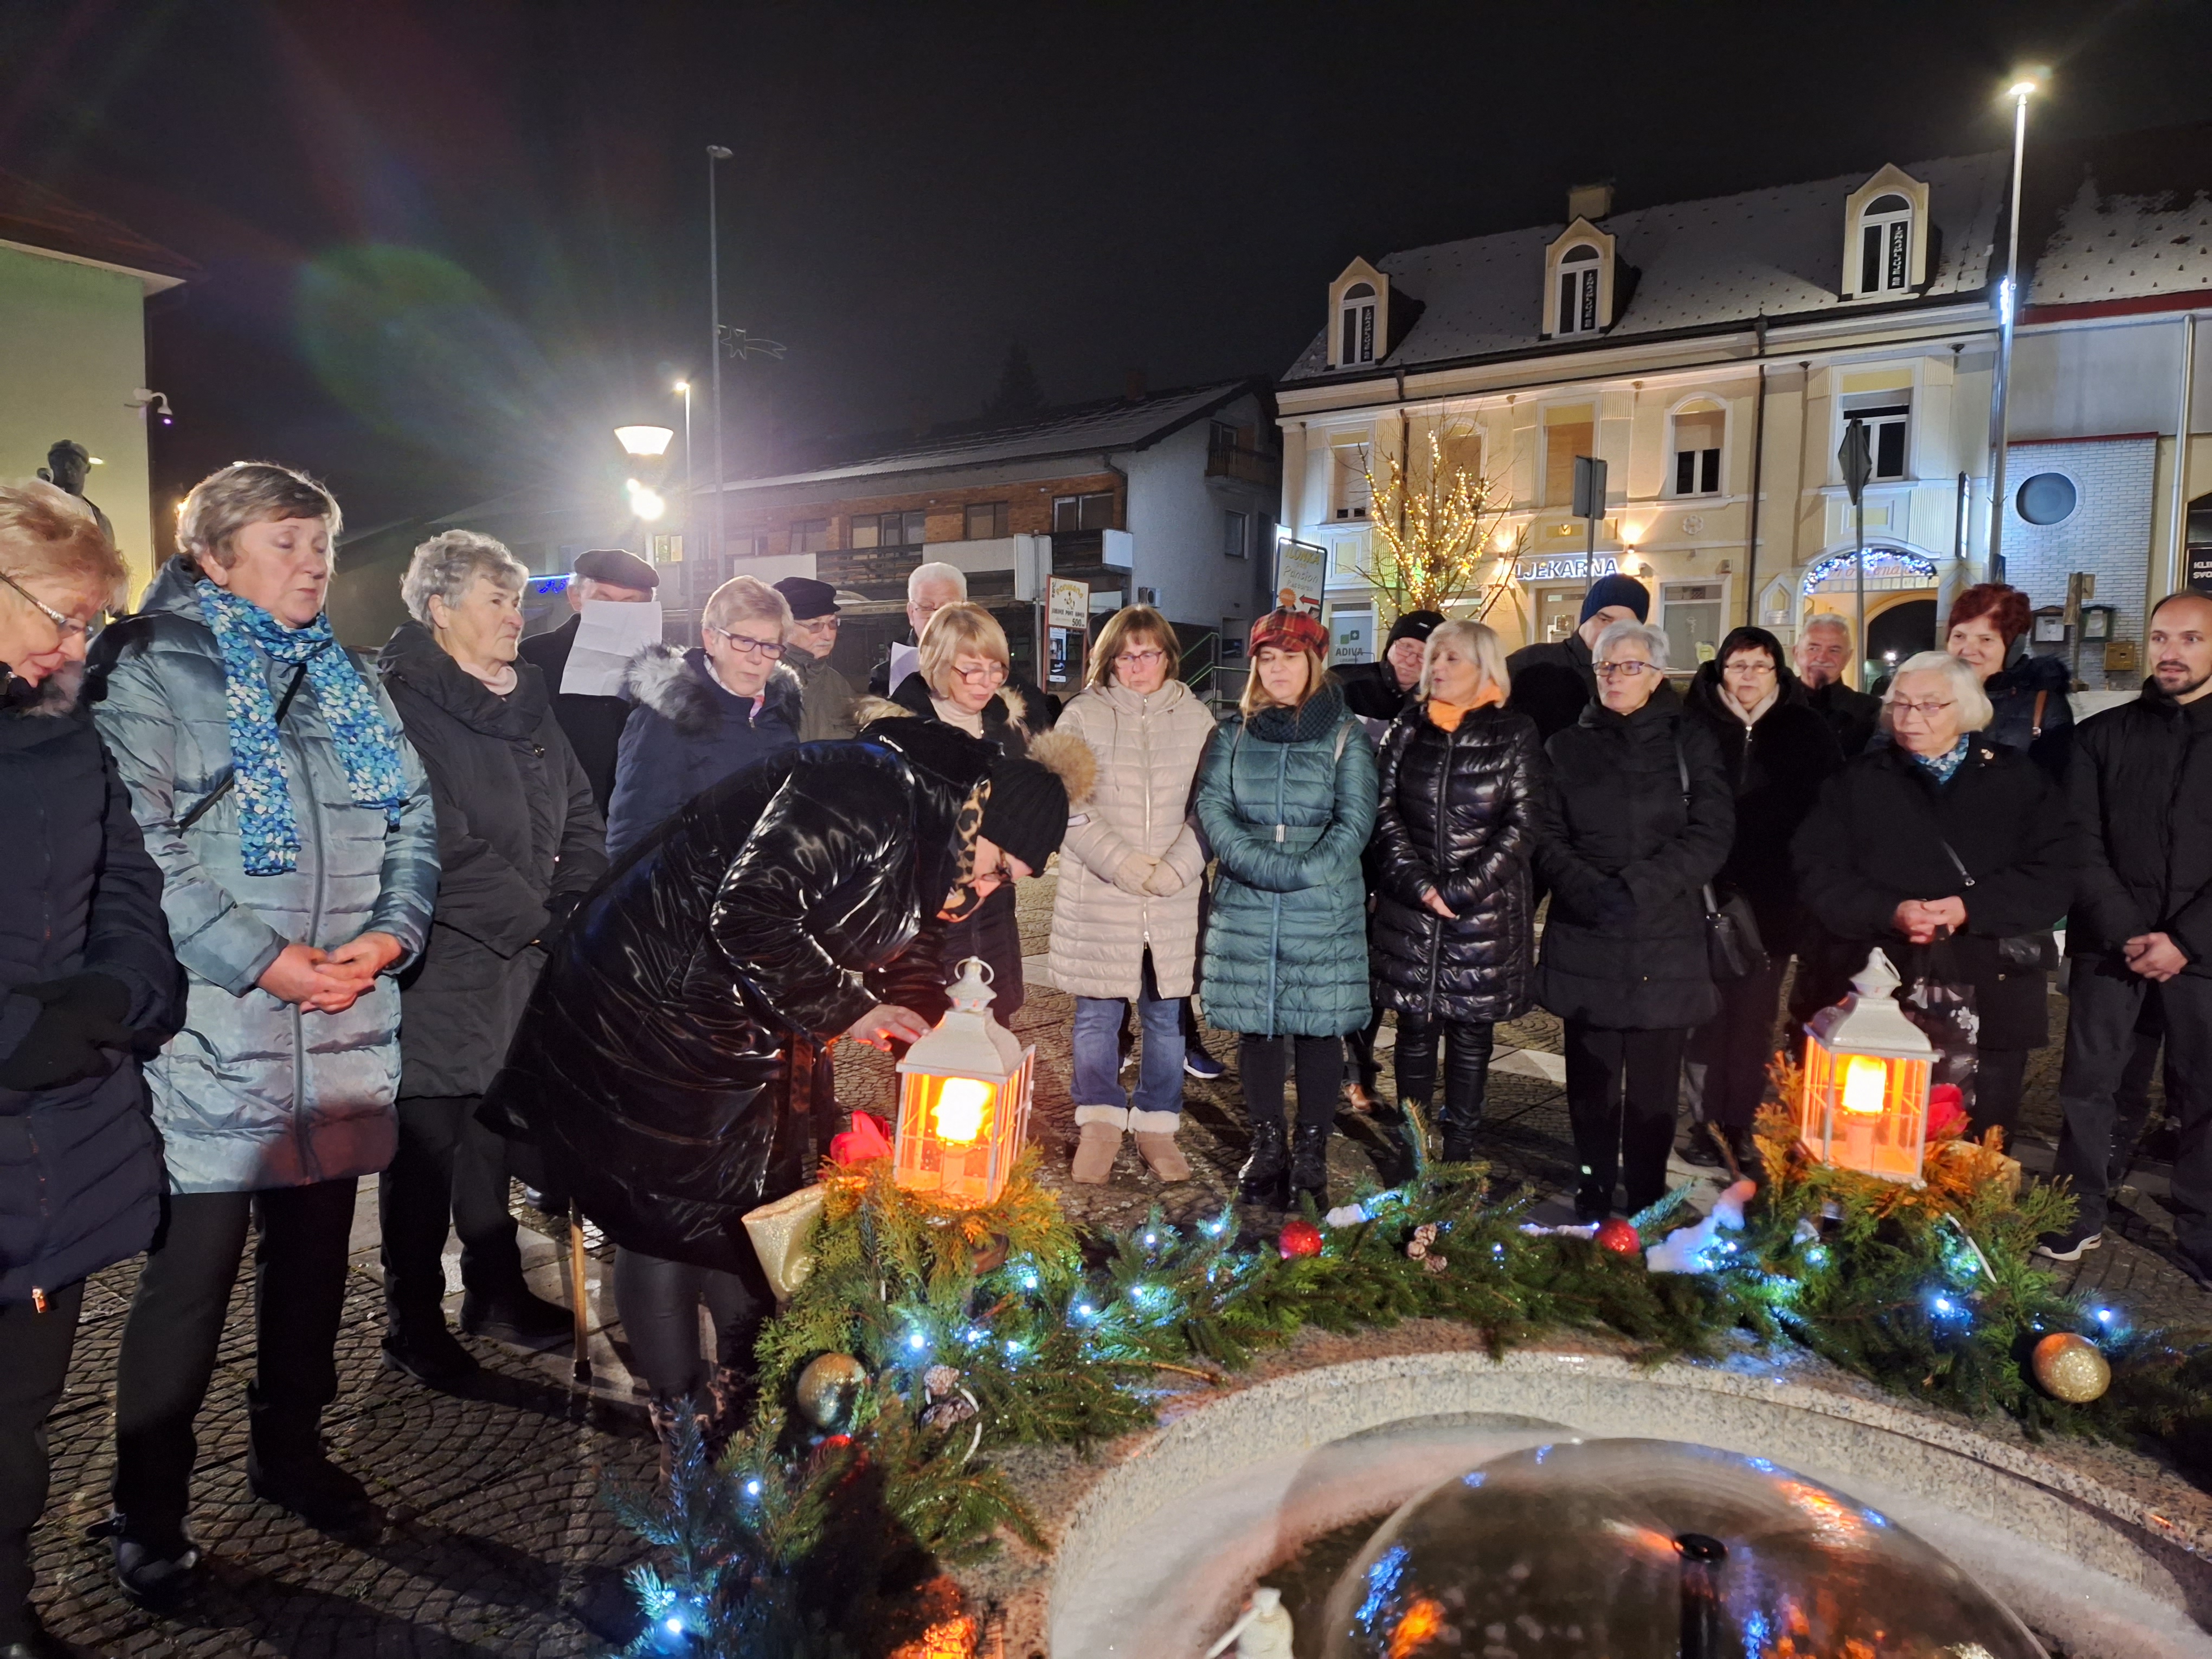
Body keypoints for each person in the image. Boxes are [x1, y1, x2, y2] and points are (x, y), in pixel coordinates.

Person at [480, 701, 1090, 1451]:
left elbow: (913, 944)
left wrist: (935, 1040)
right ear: (978, 815)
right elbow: (751, 914)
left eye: (1008, 883)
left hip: (745, 1015)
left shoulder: (941, 838)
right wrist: (851, 1010)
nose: (989, 888)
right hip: (652, 1006)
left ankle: (745, 1402)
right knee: (664, 1217)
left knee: (748, 1204)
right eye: (998, 868)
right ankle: (682, 1424)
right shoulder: (862, 794)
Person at [92, 462, 438, 1593]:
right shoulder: (150, 667)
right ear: (213, 555)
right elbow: (142, 845)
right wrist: (265, 960)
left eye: (322, 543)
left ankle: (292, 1453)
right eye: (286, 542)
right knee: (188, 1283)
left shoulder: (349, 676)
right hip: (216, 1037)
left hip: (342, 1026)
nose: (314, 563)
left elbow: (413, 818)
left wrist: (389, 936)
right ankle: (147, 1506)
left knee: (314, 1270)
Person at [0, 485, 180, 1659]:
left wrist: (119, 995)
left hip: (54, 1140)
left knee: (19, 1411)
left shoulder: (65, 729)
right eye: (64, 617)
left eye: (94, 622)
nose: (78, 649)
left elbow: (126, 881)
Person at [375, 531, 608, 1389]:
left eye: (517, 600)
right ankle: (412, 1319)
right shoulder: (404, 704)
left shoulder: (528, 703)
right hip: (445, 963)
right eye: (498, 601)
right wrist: (537, 921)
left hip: (524, 957)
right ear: (441, 609)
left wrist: (574, 901)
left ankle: (495, 1289)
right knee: (427, 1146)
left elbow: (581, 809)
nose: (517, 616)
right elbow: (438, 841)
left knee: (490, 1136)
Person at [1794, 651, 2074, 1151]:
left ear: (1965, 708)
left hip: (1988, 983)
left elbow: (2056, 870)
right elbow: (1818, 872)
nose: (1910, 717)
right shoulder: (1857, 781)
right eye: (1900, 704)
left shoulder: (2018, 779)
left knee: (1976, 1146)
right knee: (1870, 1142)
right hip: (1881, 985)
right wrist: (1890, 911)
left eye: (1929, 705)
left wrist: (1971, 909)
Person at [1534, 619, 1732, 1220]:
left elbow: (1712, 833)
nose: (1614, 677)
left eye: (1629, 666)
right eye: (1605, 666)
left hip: (1664, 934)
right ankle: (1593, 1187)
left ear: (1656, 674)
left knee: (1653, 1083)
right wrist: (1589, 888)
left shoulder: (1690, 742)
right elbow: (1545, 834)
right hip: (1587, 930)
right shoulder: (1565, 746)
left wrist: (1639, 888)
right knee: (1591, 1080)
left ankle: (1647, 1195)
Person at [2041, 592, 2212, 1270]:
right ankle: (2075, 1207)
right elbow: (2079, 841)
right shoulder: (2100, 736)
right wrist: (2128, 931)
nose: (2171, 652)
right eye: (2162, 637)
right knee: (2091, 1083)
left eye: (2192, 639)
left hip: (2203, 953)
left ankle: (2201, 1228)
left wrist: (2186, 941)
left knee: (2203, 1091)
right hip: (2112, 944)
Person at [1197, 609, 1377, 1210]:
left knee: (1319, 1026)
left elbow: (1354, 823)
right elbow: (1214, 808)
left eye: (1290, 657)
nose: (1277, 669)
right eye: (1267, 659)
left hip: (1321, 900)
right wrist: (1256, 861)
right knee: (1260, 1026)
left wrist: (1299, 871)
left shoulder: (1346, 735)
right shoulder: (1233, 734)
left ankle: (1312, 1146)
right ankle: (1268, 1142)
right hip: (1248, 898)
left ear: (1314, 662)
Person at [1049, 605, 1216, 1185]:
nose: (1139, 666)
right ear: (1109, 660)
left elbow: (1212, 805)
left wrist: (1178, 868)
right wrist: (1119, 862)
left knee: (1166, 1016)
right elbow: (1066, 804)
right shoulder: (1081, 715)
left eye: (1149, 654)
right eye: (1126, 656)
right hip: (1101, 892)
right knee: (1097, 1016)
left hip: (1172, 894)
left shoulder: (1197, 718)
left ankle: (1157, 1123)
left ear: (1169, 657)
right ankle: (1098, 1120)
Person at [1367, 621, 1545, 1163]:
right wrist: (1422, 887)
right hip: (1413, 910)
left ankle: (1460, 1156)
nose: (1437, 667)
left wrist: (1461, 890)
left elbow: (1523, 824)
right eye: (1435, 657)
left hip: (1483, 915)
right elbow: (1382, 809)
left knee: (1470, 1037)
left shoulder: (1514, 732)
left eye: (1452, 659)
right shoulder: (1409, 726)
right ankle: (1415, 1156)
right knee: (1415, 1030)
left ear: (1485, 668)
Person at [1680, 627, 1844, 1173]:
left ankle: (1740, 1122)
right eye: (1738, 665)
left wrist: (1804, 887)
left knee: (1753, 1021)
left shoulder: (1806, 730)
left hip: (1773, 903)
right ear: (1720, 671)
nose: (1748, 676)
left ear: (1778, 672)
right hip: (1702, 895)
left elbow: (1827, 816)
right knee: (1702, 1020)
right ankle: (1703, 1124)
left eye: (1760, 665)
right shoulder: (1694, 726)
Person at [886, 601, 1056, 1015]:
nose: (988, 682)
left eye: (997, 669)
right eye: (972, 670)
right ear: (938, 663)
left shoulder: (1010, 729)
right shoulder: (897, 733)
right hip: (923, 926)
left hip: (995, 912)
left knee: (996, 1020)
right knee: (926, 1030)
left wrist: (1008, 861)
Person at [606, 575, 803, 860]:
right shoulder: (669, 716)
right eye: (743, 641)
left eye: (770, 646)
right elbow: (634, 837)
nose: (757, 658)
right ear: (711, 639)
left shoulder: (778, 711)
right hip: (697, 885)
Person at [516, 548, 658, 813]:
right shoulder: (534, 657)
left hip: (638, 813)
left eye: (630, 603)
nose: (615, 612)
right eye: (603, 600)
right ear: (576, 597)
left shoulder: (666, 667)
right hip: (561, 813)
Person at [1944, 582, 2073, 780]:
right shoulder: (1922, 696)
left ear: (2014, 647)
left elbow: (2056, 785)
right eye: (1959, 636)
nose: (1968, 650)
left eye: (1986, 639)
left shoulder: (2045, 705)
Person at [1506, 573, 1652, 742]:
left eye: (1624, 626)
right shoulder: (1529, 663)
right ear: (1585, 618)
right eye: (1605, 620)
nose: (1612, 632)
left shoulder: (1639, 678)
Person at [867, 560, 969, 697]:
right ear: (911, 613)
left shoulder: (990, 666)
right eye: (926, 608)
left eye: (947, 608)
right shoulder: (885, 678)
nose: (936, 617)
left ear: (966, 611)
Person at [773, 575, 857, 740]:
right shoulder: (765, 679)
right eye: (815, 626)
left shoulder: (838, 684)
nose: (828, 635)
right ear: (785, 627)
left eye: (832, 624)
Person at [1793, 614, 1882, 760]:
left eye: (1834, 650)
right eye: (1813, 648)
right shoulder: (1772, 703)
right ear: (1796, 653)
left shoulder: (1870, 711)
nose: (1822, 658)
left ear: (1848, 658)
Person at [1340, 609, 1444, 730]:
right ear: (1390, 646)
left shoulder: (1442, 704)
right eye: (1406, 647)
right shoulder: (1343, 684)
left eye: (1424, 654)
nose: (1411, 661)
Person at [35, 439, 113, 545]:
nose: (67, 467)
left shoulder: (99, 519)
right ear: (52, 465)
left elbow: (107, 553)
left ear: (87, 468)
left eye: (74, 462)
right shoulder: (40, 505)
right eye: (59, 461)